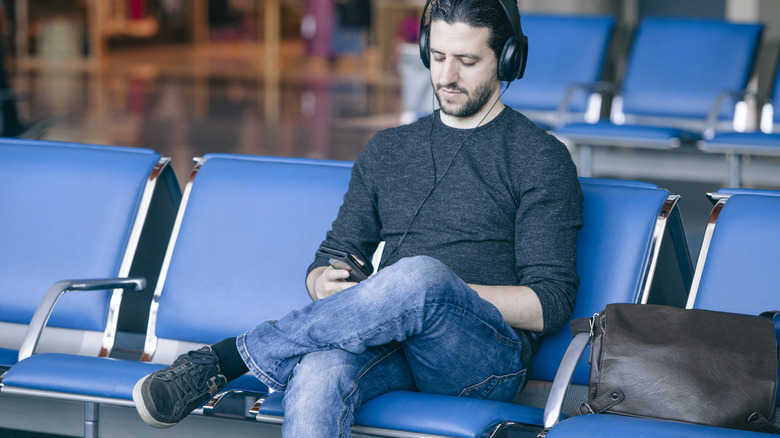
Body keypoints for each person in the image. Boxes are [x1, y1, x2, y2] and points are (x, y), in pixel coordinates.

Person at [132, 0, 583, 436]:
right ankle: (246, 358)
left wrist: (428, 296)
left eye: (467, 60)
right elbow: (334, 254)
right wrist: (323, 281)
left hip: (482, 363)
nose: (446, 76)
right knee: (317, 372)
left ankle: (227, 360)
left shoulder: (540, 158)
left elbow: (550, 305)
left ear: (506, 60)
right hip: (392, 345)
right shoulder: (388, 149)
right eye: (439, 56)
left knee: (420, 278)